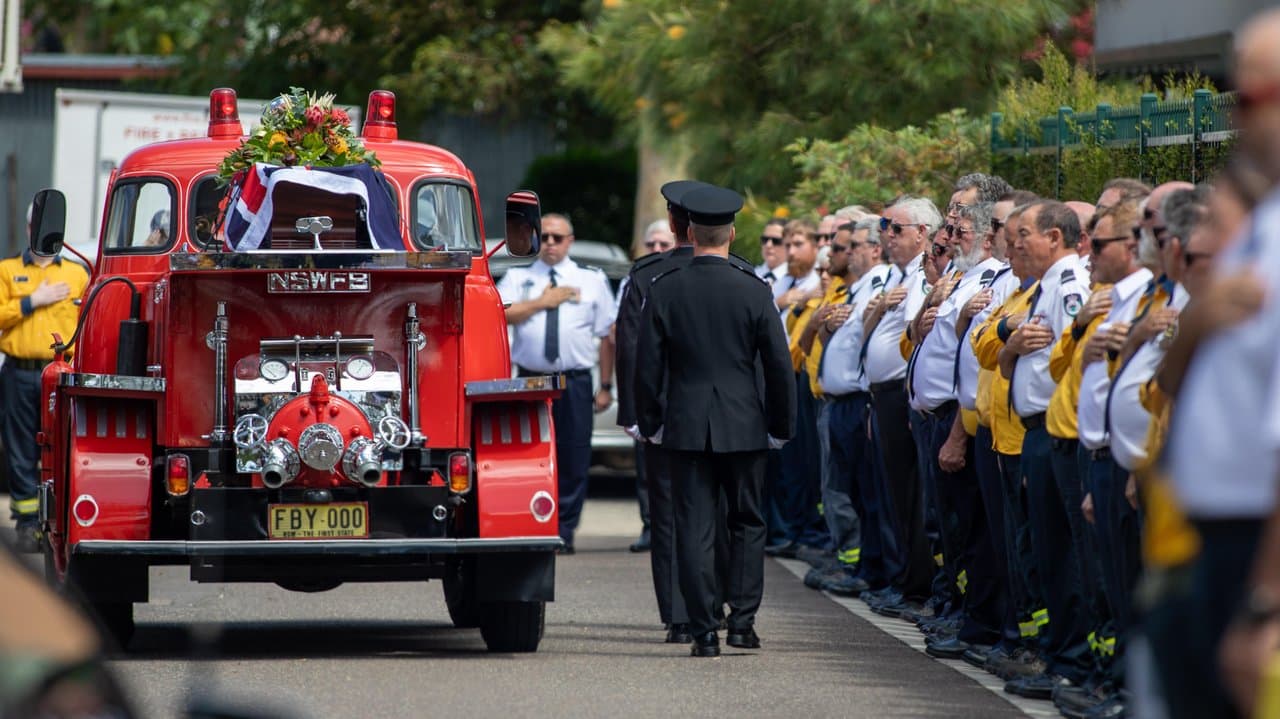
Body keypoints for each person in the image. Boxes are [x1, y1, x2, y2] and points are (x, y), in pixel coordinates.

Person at [635, 184, 796, 658]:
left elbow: (647, 367)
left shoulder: (665, 288)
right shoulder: (754, 289)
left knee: (693, 525)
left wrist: (651, 422)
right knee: (747, 521)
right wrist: (780, 425)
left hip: (685, 424)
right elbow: (778, 365)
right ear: (732, 233)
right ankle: (742, 623)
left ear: (689, 232)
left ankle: (704, 629)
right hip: (744, 423)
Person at [1001, 200, 1095, 698]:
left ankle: (1072, 662)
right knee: (1045, 547)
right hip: (1036, 431)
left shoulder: (1069, 285)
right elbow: (1015, 357)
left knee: (1063, 552)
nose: (1016, 244)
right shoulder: (1046, 287)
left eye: (1024, 235)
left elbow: (1071, 360)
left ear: (1055, 237)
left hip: (1057, 432)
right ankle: (1059, 653)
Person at [496, 213, 616, 554]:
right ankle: (532, 525)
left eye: (557, 237)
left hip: (574, 381)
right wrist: (541, 303)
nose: (550, 243)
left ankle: (564, 530)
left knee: (573, 455)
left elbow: (607, 334)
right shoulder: (519, 277)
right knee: (527, 453)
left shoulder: (591, 278)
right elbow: (500, 312)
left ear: (570, 241)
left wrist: (605, 385)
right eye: (545, 236)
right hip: (531, 379)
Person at [0, 222, 90, 552]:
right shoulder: (7, 271)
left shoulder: (77, 274)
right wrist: (31, 301)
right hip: (20, 374)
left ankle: (62, 521)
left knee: (64, 447)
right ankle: (28, 524)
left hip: (63, 375)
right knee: (21, 449)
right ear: (29, 228)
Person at [619, 219, 678, 555]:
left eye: (663, 245)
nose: (656, 250)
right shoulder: (638, 278)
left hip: (679, 386)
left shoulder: (676, 276)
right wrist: (631, 407)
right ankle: (651, 524)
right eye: (651, 245)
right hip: (651, 388)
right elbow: (625, 341)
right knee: (648, 465)